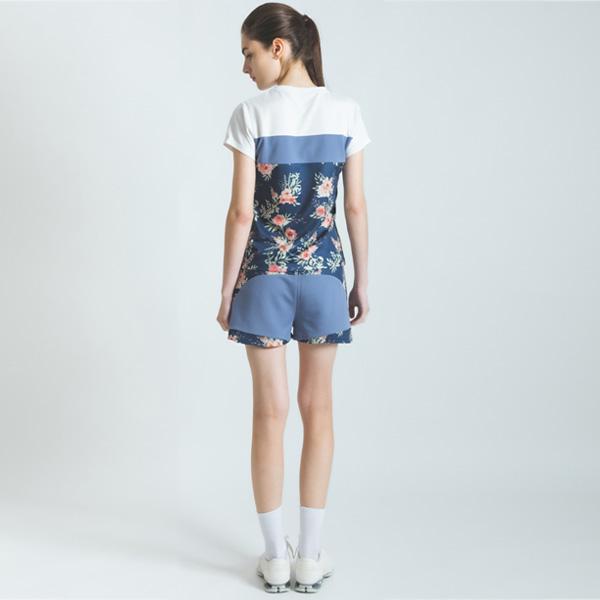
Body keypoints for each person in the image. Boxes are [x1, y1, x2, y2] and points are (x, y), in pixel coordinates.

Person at [216, 2, 371, 593]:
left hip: (264, 277)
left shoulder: (250, 114)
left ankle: (273, 558)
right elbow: (354, 206)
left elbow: (240, 212)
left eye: (249, 53)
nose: (245, 67)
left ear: (278, 48)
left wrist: (226, 290)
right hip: (326, 277)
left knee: (269, 413)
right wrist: (360, 281)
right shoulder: (346, 111)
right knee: (318, 411)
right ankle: (309, 555)